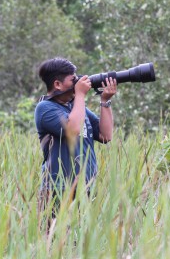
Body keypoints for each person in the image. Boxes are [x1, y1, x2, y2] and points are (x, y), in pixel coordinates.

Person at [34, 58, 117, 220]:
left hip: (86, 188)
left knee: (81, 243)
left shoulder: (76, 107)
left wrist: (105, 101)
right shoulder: (45, 108)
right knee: (56, 242)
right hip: (57, 189)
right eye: (73, 80)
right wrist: (80, 94)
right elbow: (72, 129)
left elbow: (105, 136)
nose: (78, 82)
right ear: (57, 84)